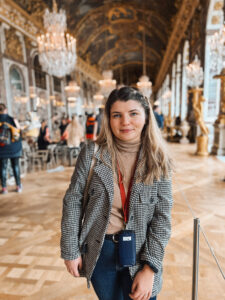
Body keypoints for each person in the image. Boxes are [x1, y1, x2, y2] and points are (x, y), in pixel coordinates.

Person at [61, 87, 173, 300]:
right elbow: (73, 201)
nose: (125, 122)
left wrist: (150, 268)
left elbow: (162, 218)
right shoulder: (92, 153)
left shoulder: (158, 159)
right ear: (108, 119)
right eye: (116, 115)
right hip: (100, 251)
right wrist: (70, 250)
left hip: (141, 251)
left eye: (133, 113)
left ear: (146, 116)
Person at [0, 103, 22, 194]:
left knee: (3, 168)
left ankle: (4, 188)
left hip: (1, 148)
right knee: (15, 166)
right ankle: (18, 186)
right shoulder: (12, 119)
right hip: (14, 147)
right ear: (6, 110)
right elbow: (19, 130)